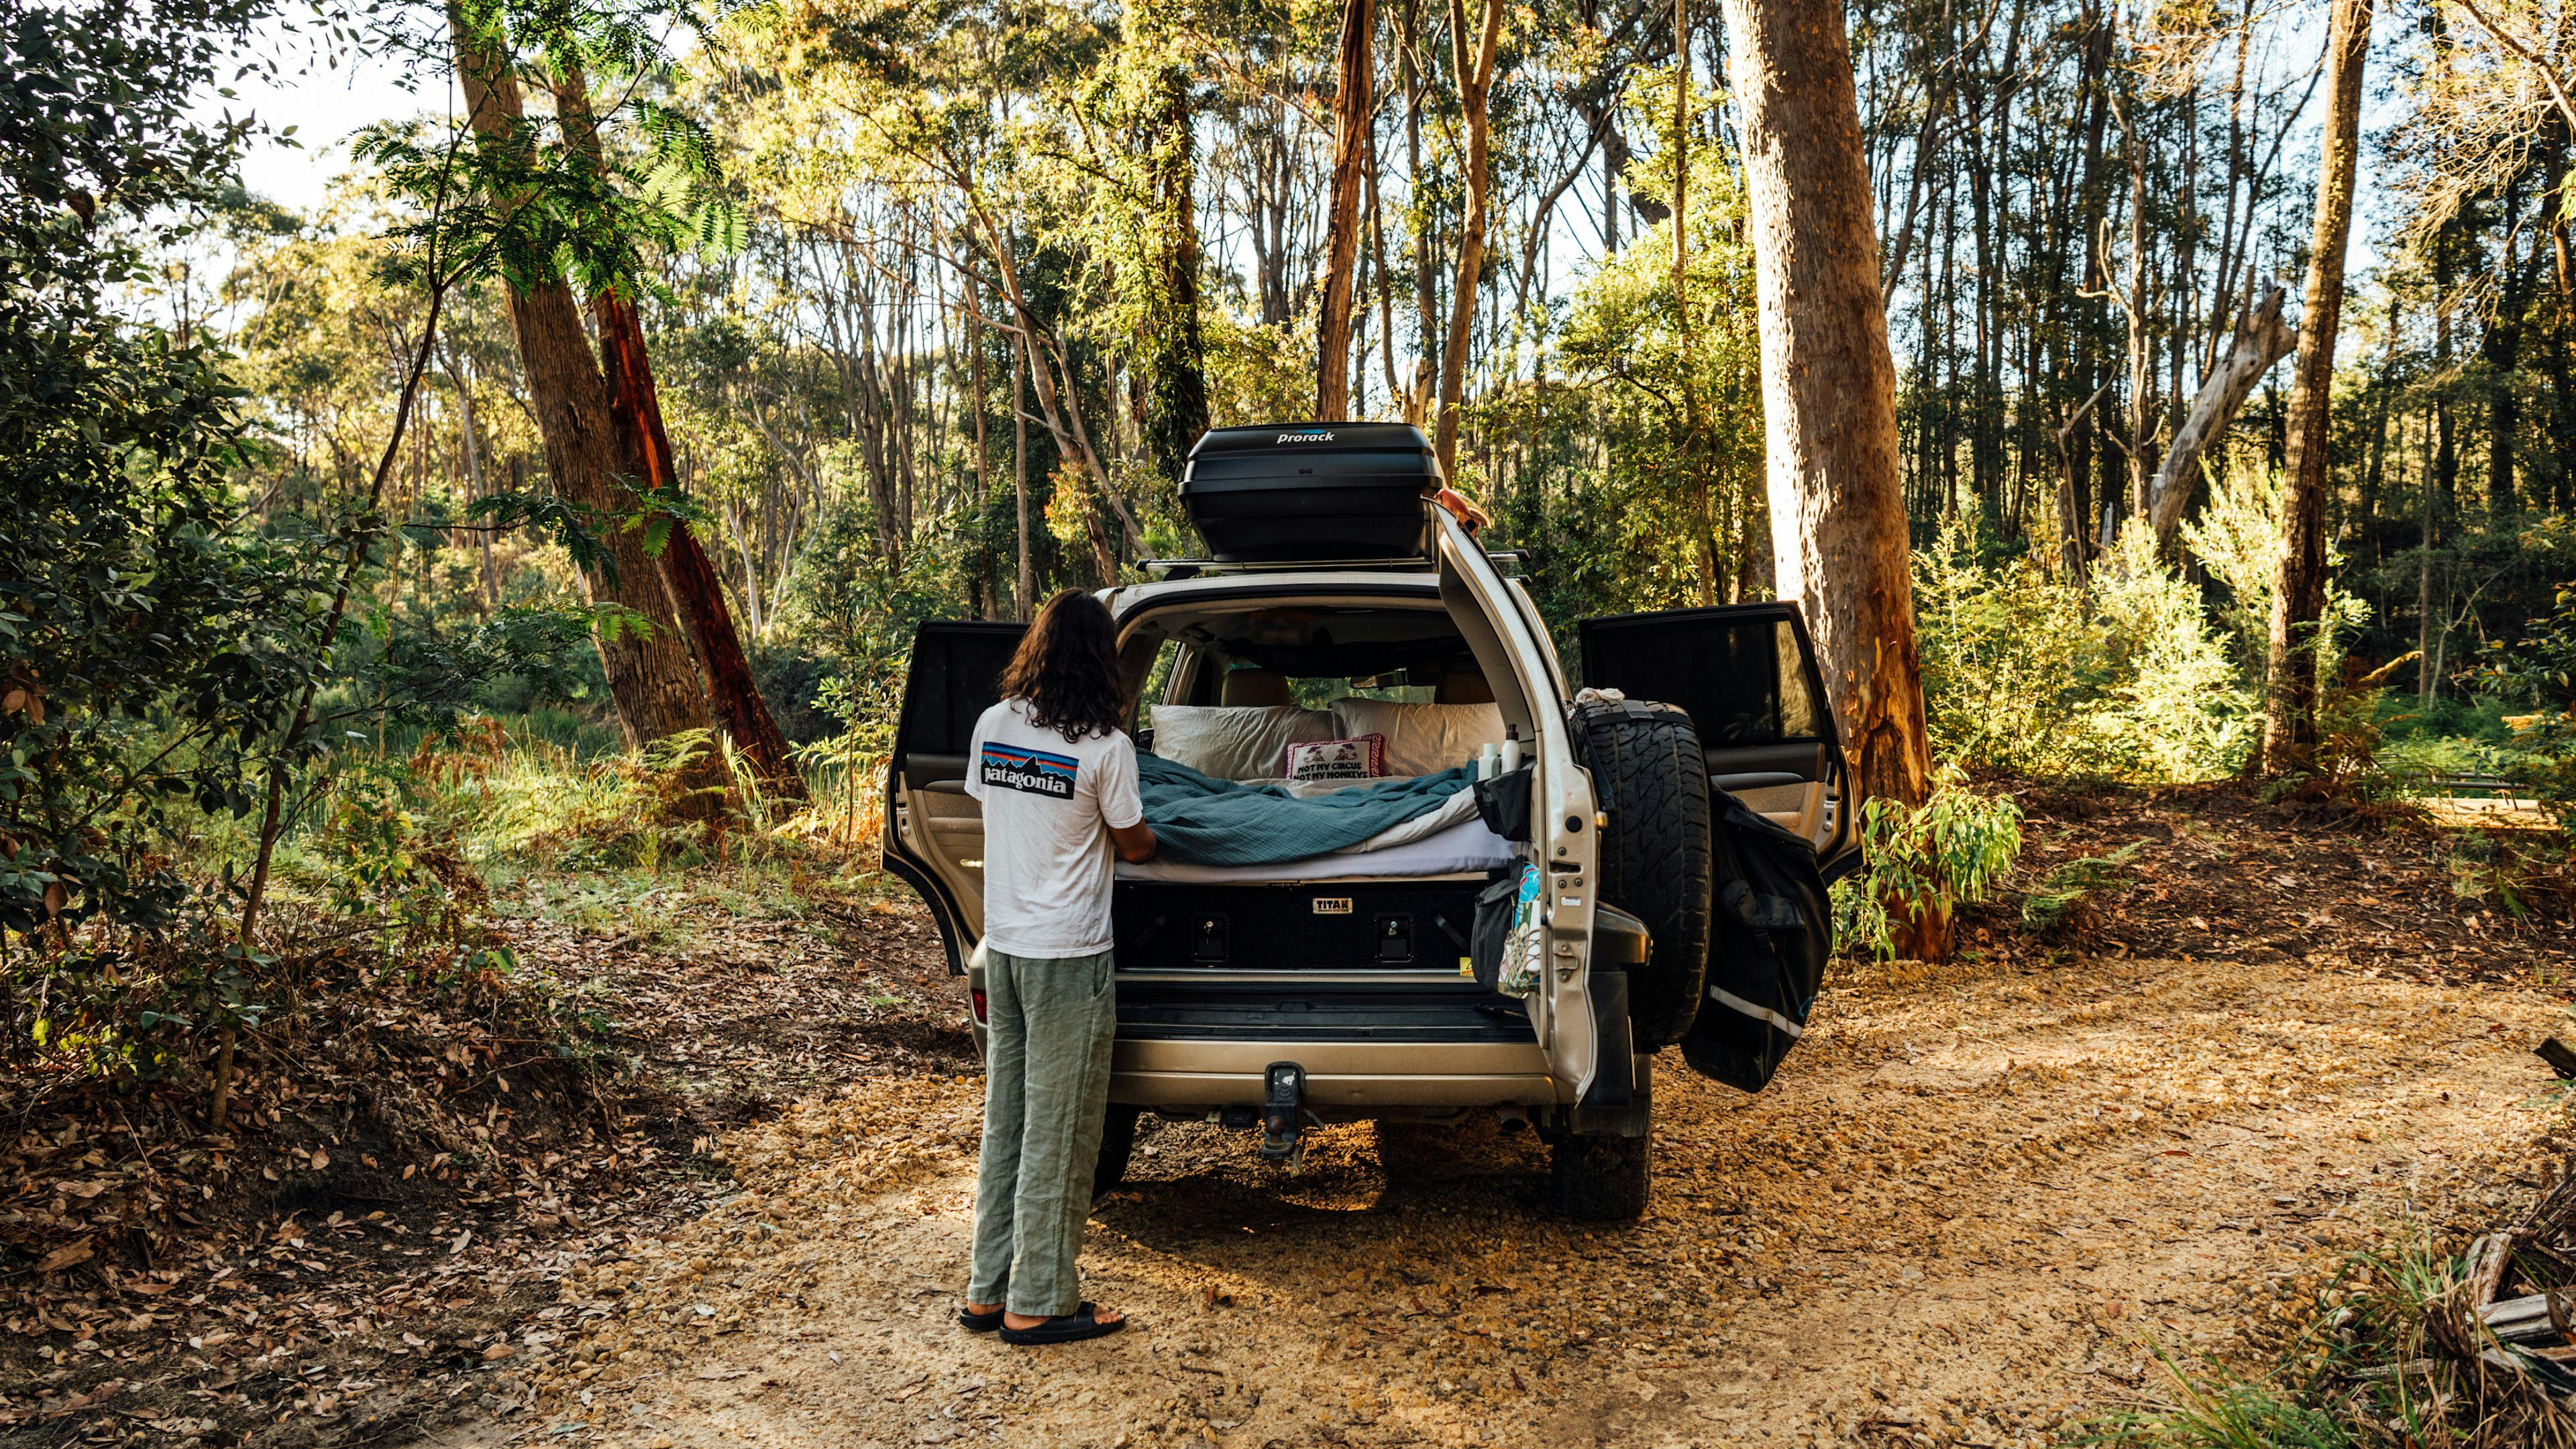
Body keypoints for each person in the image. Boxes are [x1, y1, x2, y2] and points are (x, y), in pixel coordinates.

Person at [958, 589, 1157, 1347]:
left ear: (1037, 648)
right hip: (1069, 956)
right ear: (1102, 660)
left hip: (1003, 948)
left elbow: (995, 810)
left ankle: (988, 1289)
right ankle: (1037, 1301)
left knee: (1006, 1117)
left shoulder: (992, 726)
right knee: (1061, 1127)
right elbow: (1134, 844)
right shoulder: (1106, 748)